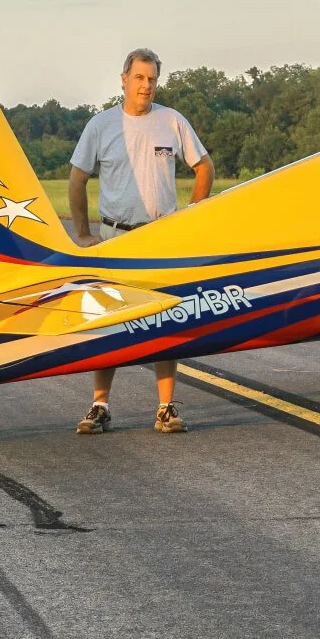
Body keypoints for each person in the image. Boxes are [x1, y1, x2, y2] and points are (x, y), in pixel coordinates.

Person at [68, 48, 215, 434]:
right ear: (123, 79)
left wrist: (191, 214)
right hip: (116, 239)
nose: (146, 86)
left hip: (161, 239)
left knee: (164, 321)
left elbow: (203, 166)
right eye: (139, 78)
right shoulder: (101, 125)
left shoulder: (171, 121)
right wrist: (83, 234)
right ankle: (100, 406)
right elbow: (77, 178)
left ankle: (166, 407)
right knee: (110, 324)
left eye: (151, 79)